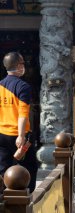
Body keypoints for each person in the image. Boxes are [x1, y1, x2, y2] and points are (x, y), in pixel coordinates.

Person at [0, 52, 38, 192]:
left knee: (4, 168)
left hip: (2, 134)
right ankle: (27, 199)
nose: (24, 66)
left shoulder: (0, 85)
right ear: (18, 66)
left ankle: (4, 199)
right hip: (18, 135)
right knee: (29, 168)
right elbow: (23, 115)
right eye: (23, 63)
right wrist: (21, 136)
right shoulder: (23, 87)